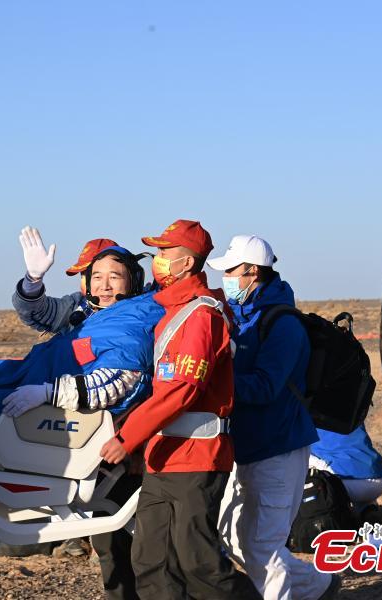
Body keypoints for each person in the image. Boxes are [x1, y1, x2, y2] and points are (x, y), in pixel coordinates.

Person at [100, 219, 261, 600]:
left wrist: (128, 437)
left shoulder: (201, 316)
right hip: (163, 457)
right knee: (152, 562)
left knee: (199, 564)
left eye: (164, 252)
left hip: (195, 458)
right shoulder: (174, 311)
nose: (157, 259)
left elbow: (182, 390)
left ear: (187, 263)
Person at [4, 227, 152, 600]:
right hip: (87, 433)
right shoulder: (81, 309)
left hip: (123, 438)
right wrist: (33, 280)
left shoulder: (135, 318)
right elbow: (39, 312)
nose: (101, 285)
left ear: (132, 279)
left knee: (132, 538)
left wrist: (50, 392)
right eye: (93, 277)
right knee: (108, 535)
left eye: (112, 276)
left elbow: (120, 381)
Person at [208, 235, 338, 600]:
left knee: (263, 547)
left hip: (279, 448)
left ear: (252, 271)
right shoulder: (242, 317)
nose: (226, 279)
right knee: (237, 540)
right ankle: (319, 586)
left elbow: (266, 387)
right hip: (245, 446)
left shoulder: (283, 325)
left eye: (231, 271)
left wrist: (213, 383)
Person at [310, 424, 382, 516]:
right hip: (378, 482)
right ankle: (366, 506)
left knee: (301, 461)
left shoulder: (306, 420)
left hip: (345, 486)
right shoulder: (353, 416)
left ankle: (329, 514)